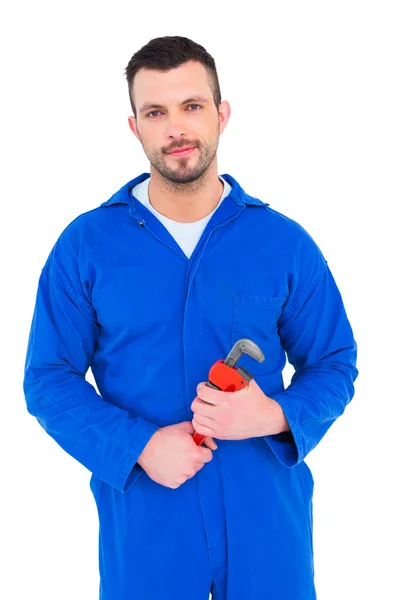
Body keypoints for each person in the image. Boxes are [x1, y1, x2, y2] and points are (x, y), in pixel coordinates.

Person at [23, 35, 358, 600]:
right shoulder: (86, 246)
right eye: (156, 112)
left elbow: (334, 363)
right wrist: (140, 446)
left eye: (192, 106)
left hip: (266, 524)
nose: (176, 128)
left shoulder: (283, 244)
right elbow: (48, 380)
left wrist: (273, 415)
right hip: (148, 523)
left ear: (222, 115)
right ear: (136, 127)